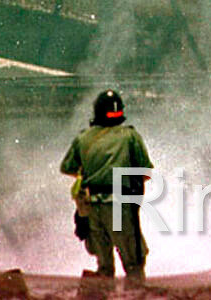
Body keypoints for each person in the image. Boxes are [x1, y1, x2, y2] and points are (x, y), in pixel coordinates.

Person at [61, 90, 153, 283]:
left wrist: (91, 173)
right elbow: (145, 173)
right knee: (134, 265)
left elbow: (67, 168)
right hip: (119, 207)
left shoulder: (83, 138)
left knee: (104, 268)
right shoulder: (130, 136)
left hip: (91, 208)